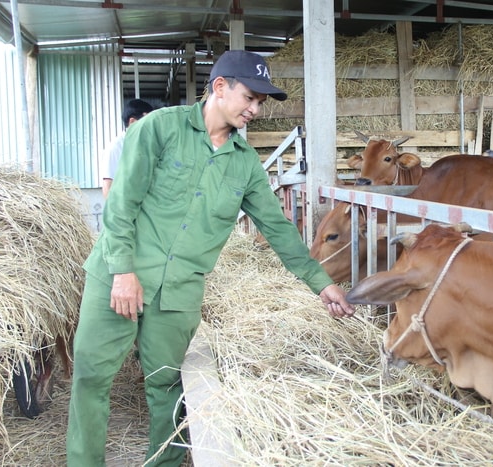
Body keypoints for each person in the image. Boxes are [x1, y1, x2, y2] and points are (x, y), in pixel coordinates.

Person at [66, 50, 356, 466]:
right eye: (250, 98)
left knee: (166, 388)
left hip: (179, 292)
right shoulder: (158, 129)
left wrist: (322, 283)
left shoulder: (245, 165)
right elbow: (120, 205)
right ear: (219, 87)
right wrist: (123, 272)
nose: (255, 109)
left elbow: (277, 229)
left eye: (260, 102)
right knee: (92, 378)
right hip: (117, 275)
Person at [100, 98, 154, 198]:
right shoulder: (115, 148)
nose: (151, 128)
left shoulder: (146, 145)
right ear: (132, 122)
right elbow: (108, 187)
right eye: (147, 123)